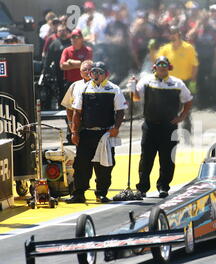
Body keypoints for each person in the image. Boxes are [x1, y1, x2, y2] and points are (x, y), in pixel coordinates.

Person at [131, 56, 193, 198]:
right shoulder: (146, 81)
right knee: (146, 158)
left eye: (165, 64)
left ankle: (163, 186)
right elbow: (136, 98)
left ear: (168, 67)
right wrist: (133, 87)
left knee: (167, 159)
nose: (162, 67)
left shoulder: (177, 83)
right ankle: (142, 187)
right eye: (160, 64)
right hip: (150, 125)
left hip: (169, 126)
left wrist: (181, 117)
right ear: (155, 67)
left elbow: (188, 100)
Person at [65, 62, 127, 203]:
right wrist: (74, 132)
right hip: (86, 133)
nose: (96, 75)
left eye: (99, 72)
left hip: (105, 134)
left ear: (106, 74)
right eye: (94, 72)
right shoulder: (84, 89)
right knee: (81, 165)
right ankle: (78, 193)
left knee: (105, 166)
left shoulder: (114, 89)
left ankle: (101, 193)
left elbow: (120, 111)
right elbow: (76, 112)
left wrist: (116, 128)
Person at [157, 26, 198, 133]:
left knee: (186, 106)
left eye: (174, 33)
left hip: (185, 81)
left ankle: (187, 128)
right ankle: (170, 129)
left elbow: (194, 65)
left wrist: (193, 81)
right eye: (170, 33)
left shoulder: (188, 48)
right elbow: (157, 65)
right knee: (170, 107)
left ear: (179, 34)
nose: (172, 35)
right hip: (169, 82)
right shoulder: (164, 49)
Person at [60, 29, 93, 143]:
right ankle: (71, 133)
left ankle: (84, 131)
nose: (74, 39)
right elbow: (63, 65)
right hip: (71, 84)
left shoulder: (87, 50)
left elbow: (88, 64)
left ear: (82, 38)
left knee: (83, 109)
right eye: (72, 37)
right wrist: (79, 63)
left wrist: (71, 62)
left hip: (86, 83)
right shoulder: (67, 50)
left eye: (77, 37)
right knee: (70, 109)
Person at [60, 60, 93, 130]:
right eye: (84, 70)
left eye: (90, 69)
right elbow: (68, 107)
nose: (87, 71)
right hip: (79, 125)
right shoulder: (75, 85)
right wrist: (71, 124)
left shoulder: (100, 86)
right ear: (81, 73)